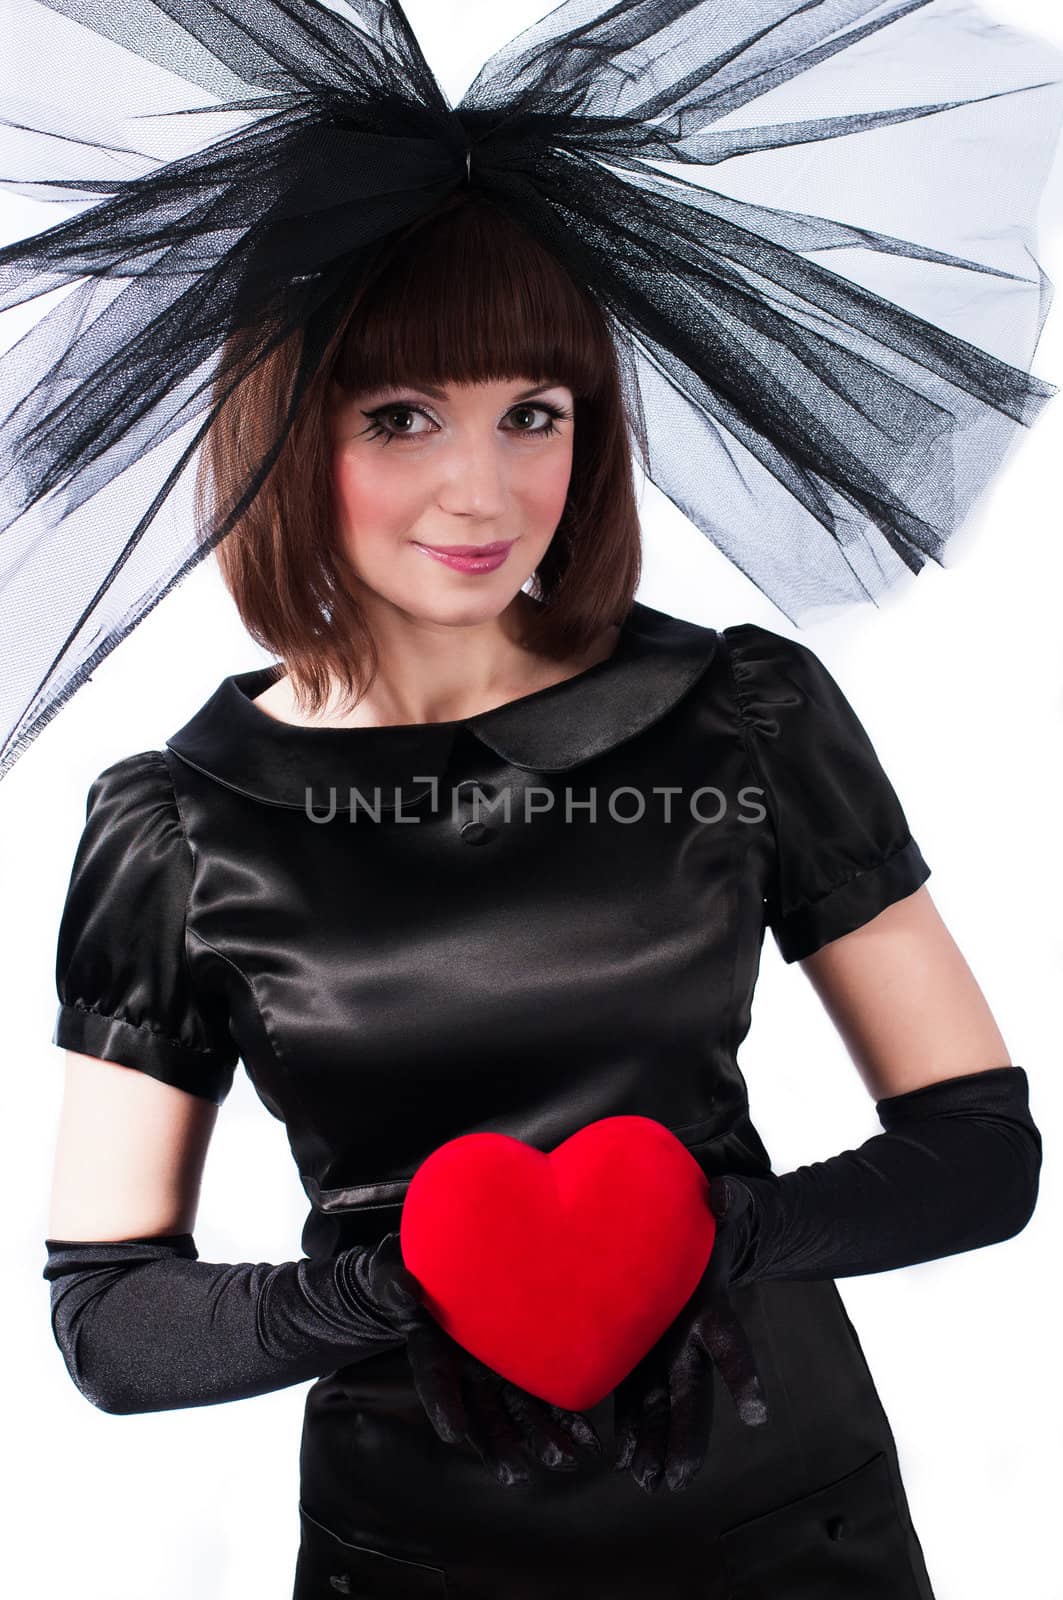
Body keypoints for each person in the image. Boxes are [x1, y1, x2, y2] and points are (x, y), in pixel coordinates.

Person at [42, 191, 1041, 1600]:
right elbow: (108, 1319)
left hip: (797, 1538)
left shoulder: (742, 718)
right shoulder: (182, 827)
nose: (486, 492)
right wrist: (394, 1292)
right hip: (421, 1559)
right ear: (281, 434)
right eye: (400, 417)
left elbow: (982, 1153)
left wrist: (717, 1236)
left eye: (535, 413)